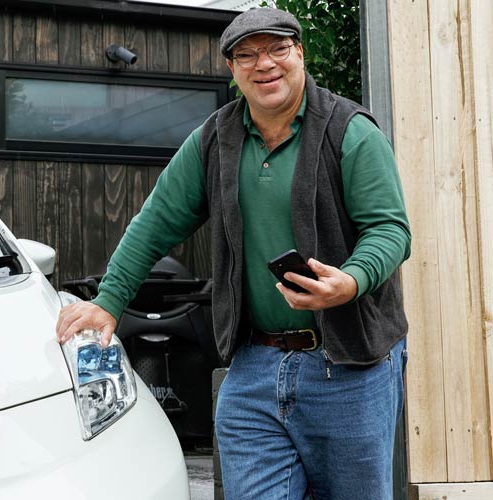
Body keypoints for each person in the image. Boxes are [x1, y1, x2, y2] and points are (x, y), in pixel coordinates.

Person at [53, 8, 410, 500]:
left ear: (299, 53)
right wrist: (109, 301)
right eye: (248, 55)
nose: (265, 64)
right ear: (232, 68)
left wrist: (350, 281)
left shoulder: (350, 131)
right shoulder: (214, 140)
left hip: (348, 367)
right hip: (254, 367)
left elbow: (390, 230)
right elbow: (155, 223)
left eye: (278, 49)